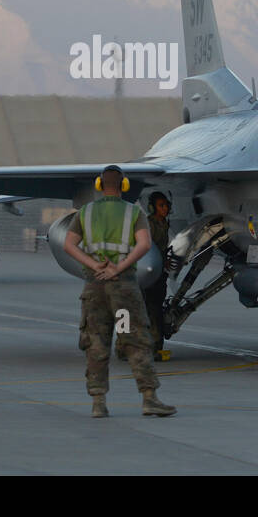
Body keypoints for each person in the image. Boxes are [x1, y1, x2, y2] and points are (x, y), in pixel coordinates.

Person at [63, 165, 176, 418]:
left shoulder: (86, 212)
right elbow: (145, 244)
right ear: (124, 185)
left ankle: (98, 403)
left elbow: (69, 244)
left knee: (96, 342)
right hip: (123, 288)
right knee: (135, 341)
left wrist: (94, 265)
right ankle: (149, 399)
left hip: (94, 286)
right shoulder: (133, 212)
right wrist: (119, 267)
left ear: (99, 185)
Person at [144, 192, 172, 362]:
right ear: (153, 207)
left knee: (156, 310)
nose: (165, 209)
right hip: (149, 273)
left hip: (159, 272)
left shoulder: (164, 224)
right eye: (161, 205)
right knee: (151, 310)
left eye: (166, 205)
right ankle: (151, 347)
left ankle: (155, 347)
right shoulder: (148, 225)